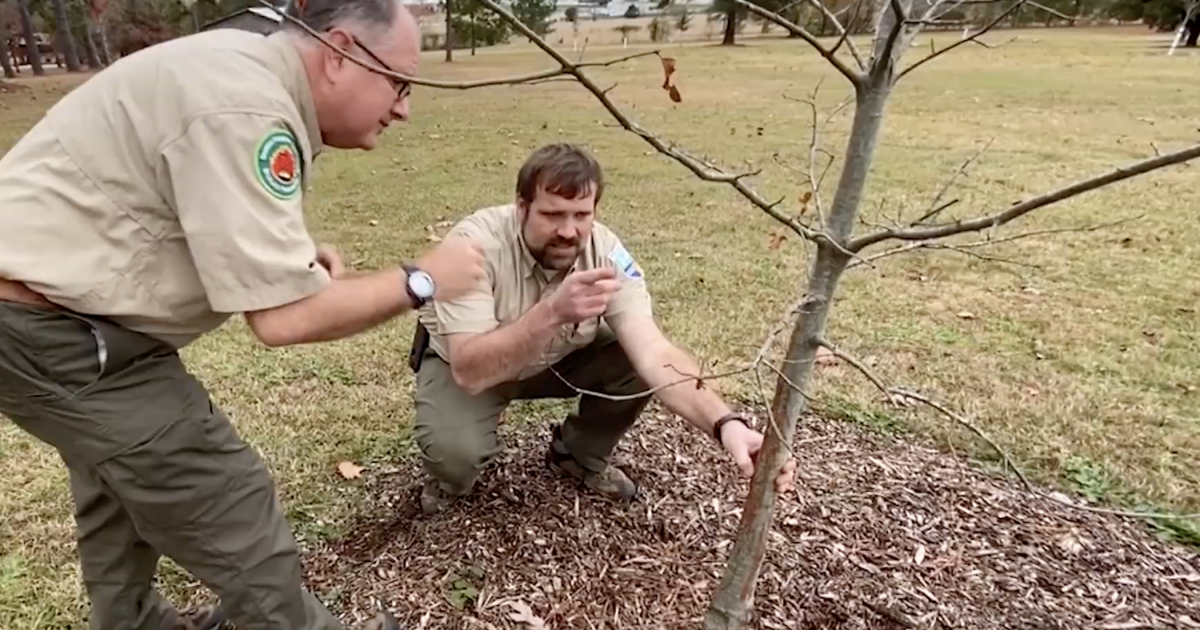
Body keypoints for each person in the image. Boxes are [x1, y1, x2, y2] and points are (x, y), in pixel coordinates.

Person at [0, 1, 486, 629]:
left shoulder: (239, 74)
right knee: (227, 501)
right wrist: (422, 280)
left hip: (50, 313)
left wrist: (283, 257)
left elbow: (157, 194)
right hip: (57, 330)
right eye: (398, 82)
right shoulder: (246, 105)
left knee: (118, 486)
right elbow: (285, 319)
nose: (403, 108)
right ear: (338, 53)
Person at [410, 143, 797, 515]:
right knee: (455, 457)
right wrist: (553, 312)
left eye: (581, 215)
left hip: (554, 359)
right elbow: (470, 369)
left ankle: (579, 454)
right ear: (522, 208)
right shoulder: (472, 246)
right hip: (471, 368)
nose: (568, 230)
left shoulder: (607, 253)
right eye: (552, 214)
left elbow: (655, 354)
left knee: (631, 361)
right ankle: (449, 481)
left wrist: (726, 424)